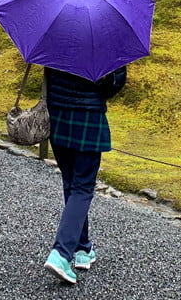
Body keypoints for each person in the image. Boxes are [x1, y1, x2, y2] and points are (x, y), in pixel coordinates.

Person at [41, 65, 127, 284]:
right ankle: (61, 253)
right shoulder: (106, 48)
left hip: (58, 116)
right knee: (82, 187)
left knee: (71, 183)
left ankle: (82, 248)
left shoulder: (55, 43)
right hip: (88, 117)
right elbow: (112, 87)